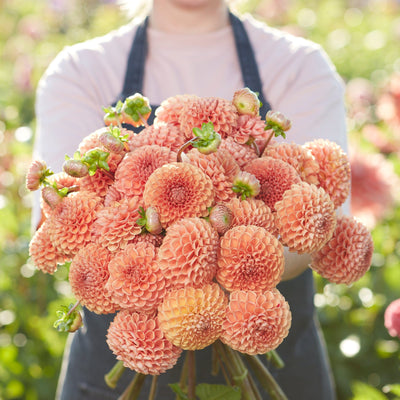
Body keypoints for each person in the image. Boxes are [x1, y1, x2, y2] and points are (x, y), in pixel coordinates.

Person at [33, 0, 348, 398]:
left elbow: (323, 226)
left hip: (270, 349)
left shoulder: (299, 65)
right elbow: (60, 222)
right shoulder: (80, 70)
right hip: (114, 371)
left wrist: (201, 260)